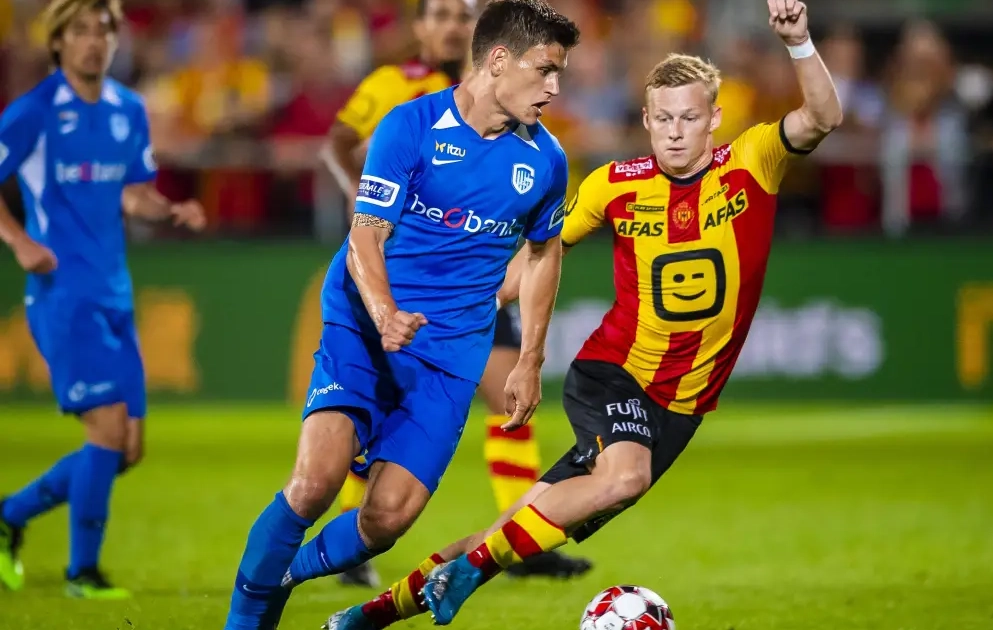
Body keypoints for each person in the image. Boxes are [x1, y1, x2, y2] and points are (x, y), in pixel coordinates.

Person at [322, 1, 842, 628]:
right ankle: (465, 571)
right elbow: (539, 253)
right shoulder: (613, 184)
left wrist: (799, 42)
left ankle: (369, 615)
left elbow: (822, 117)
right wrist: (473, 304)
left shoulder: (753, 160)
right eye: (663, 119)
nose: (675, 132)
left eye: (689, 118)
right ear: (645, 120)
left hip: (681, 408)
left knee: (514, 531)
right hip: (615, 374)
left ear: (714, 119)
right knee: (625, 479)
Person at [221, 1, 580, 628]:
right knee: (315, 482)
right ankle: (245, 618)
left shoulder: (546, 159)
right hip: (365, 326)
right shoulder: (409, 125)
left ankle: (281, 573)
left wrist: (530, 359)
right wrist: (385, 312)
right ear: (499, 60)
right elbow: (366, 234)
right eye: (545, 70)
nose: (554, 87)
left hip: (452, 352)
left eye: (560, 74)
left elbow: (544, 254)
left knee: (387, 519)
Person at [321, 0, 590, 587]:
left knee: (506, 396)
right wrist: (359, 195)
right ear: (419, 26)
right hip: (404, 270)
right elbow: (336, 143)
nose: (449, 26)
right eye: (438, 15)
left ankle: (518, 535)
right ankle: (352, 534)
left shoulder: (511, 99)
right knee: (372, 409)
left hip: (478, 279)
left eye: (459, 15)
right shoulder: (394, 87)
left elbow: (541, 235)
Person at [0, 0, 206, 599]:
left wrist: (169, 210)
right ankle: (82, 573)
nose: (94, 42)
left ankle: (10, 515)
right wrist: (19, 241)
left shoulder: (128, 109)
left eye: (103, 31)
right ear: (58, 42)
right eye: (80, 32)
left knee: (127, 448)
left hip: (115, 291)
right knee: (108, 431)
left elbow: (132, 193)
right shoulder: (34, 111)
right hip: (63, 293)